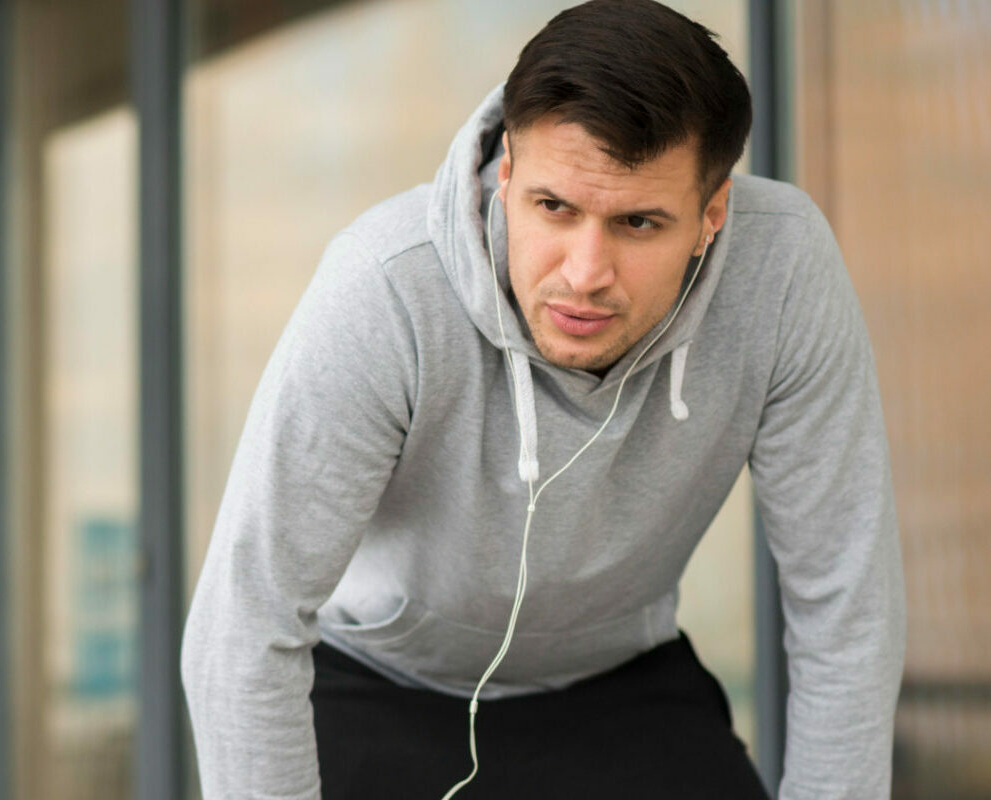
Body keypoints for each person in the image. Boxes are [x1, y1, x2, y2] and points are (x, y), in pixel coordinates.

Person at [180, 1, 906, 798]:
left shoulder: (783, 272)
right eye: (554, 208)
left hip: (619, 685)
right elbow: (245, 623)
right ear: (505, 176)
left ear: (712, 215)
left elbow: (846, 606)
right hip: (376, 684)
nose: (585, 272)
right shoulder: (384, 289)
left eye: (637, 222)